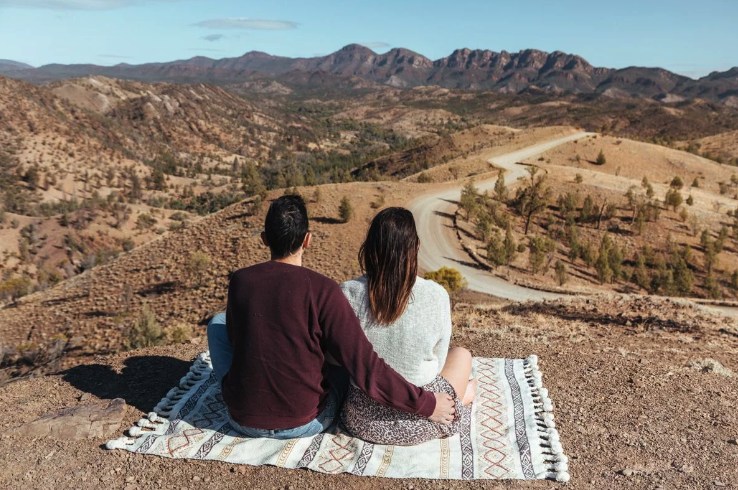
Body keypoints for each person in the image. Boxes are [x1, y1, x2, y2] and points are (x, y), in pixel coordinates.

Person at [207, 195, 455, 439]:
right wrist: (427, 405)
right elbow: (365, 367)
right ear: (308, 240)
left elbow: (238, 336)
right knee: (338, 364)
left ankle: (241, 391)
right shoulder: (323, 289)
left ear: (264, 239)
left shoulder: (241, 280)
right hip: (305, 421)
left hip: (242, 419)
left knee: (217, 323)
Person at [340, 207, 476, 445]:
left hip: (362, 421)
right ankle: (462, 398)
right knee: (462, 355)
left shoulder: (348, 293)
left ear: (370, 248)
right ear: (415, 249)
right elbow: (439, 362)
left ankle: (464, 395)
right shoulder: (436, 295)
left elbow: (337, 355)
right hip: (424, 419)